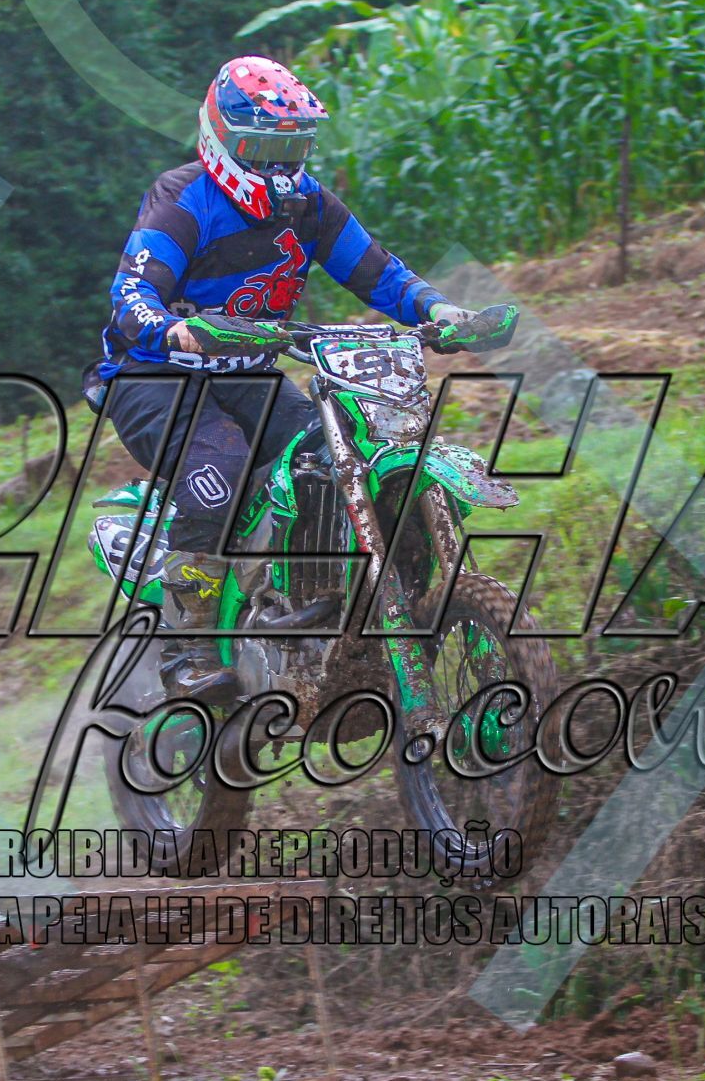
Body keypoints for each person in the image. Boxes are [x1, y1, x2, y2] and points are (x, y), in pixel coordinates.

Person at [84, 56, 514, 703]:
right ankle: (186, 649)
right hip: (154, 376)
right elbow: (132, 292)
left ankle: (324, 598)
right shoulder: (183, 199)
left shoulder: (310, 205)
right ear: (221, 137)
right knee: (220, 475)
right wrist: (170, 328)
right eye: (265, 148)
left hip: (248, 370)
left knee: (329, 456)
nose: (280, 164)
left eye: (293, 148)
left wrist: (442, 313)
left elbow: (379, 274)